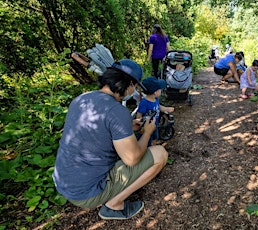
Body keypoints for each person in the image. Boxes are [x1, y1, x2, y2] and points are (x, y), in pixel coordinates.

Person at [52, 59, 168, 220]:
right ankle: (114, 205)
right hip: (86, 194)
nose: (132, 90)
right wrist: (147, 132)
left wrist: (128, 126)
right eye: (134, 86)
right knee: (160, 153)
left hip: (64, 183)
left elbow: (97, 131)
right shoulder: (116, 110)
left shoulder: (82, 99)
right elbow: (132, 158)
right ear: (128, 84)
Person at [136, 76, 174, 146]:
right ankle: (150, 150)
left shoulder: (155, 99)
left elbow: (158, 106)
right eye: (160, 89)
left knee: (155, 136)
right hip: (147, 127)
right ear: (155, 92)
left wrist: (166, 109)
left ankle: (154, 143)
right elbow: (139, 114)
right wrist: (140, 125)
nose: (161, 90)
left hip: (154, 125)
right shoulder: (144, 102)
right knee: (148, 139)